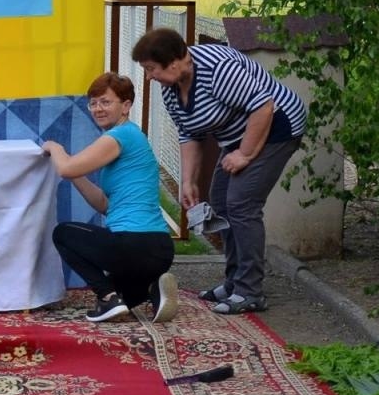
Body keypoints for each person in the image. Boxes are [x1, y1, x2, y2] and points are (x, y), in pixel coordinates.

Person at [131, 27, 307, 315]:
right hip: (238, 134)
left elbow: (264, 107)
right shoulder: (171, 90)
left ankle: (250, 291)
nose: (149, 77)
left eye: (151, 69)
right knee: (221, 201)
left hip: (277, 127)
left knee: (242, 204)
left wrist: (245, 154)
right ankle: (234, 281)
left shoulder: (217, 69)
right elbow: (189, 134)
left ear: (174, 62)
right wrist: (188, 181)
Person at [42, 72, 178, 324]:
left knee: (63, 233)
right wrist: (75, 173)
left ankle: (108, 297)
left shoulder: (120, 136)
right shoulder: (132, 136)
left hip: (133, 245)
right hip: (158, 249)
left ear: (125, 106)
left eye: (105, 102)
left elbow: (66, 168)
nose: (97, 108)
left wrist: (55, 148)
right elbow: (105, 205)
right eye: (93, 103)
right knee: (125, 299)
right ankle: (152, 288)